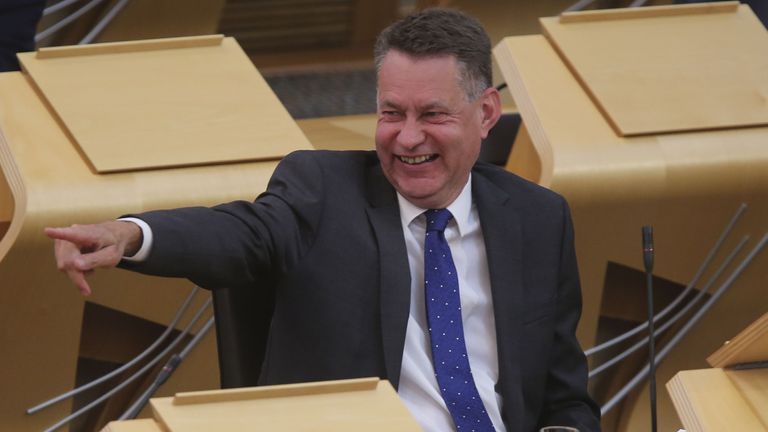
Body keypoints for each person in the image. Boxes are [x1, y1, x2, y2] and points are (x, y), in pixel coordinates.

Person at [47, 8, 601, 432]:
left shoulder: (537, 218)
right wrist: (130, 235)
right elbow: (241, 233)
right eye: (391, 113)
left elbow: (565, 394)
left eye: (432, 115)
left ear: (485, 115)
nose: (407, 138)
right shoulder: (321, 191)